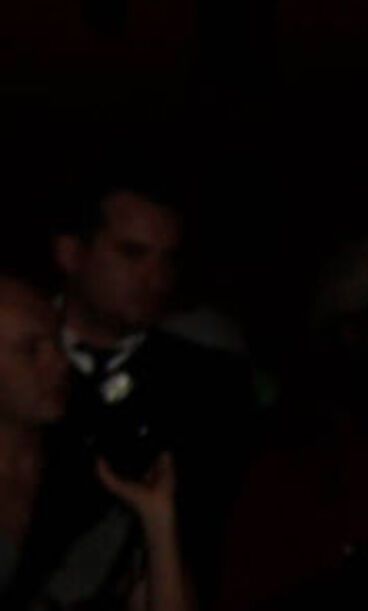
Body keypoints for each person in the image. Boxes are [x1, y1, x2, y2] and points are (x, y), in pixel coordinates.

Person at [52, 180, 254, 602]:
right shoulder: (17, 354)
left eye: (168, 259)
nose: (155, 278)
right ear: (71, 254)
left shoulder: (209, 386)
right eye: (132, 253)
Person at [0, 273, 194, 610]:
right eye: (31, 351)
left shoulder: (96, 460)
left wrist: (158, 522)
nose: (60, 363)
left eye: (58, 343)